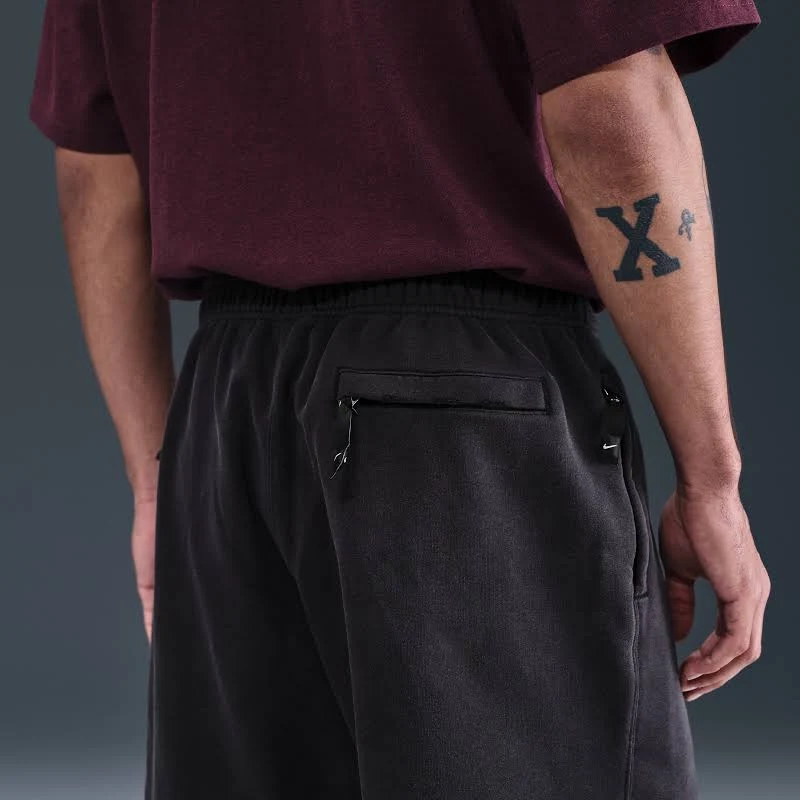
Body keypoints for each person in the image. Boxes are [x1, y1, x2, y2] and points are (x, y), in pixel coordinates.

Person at [28, 1, 770, 798]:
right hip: (464, 410)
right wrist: (711, 480)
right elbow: (609, 102)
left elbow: (96, 175)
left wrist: (157, 483)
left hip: (228, 419)